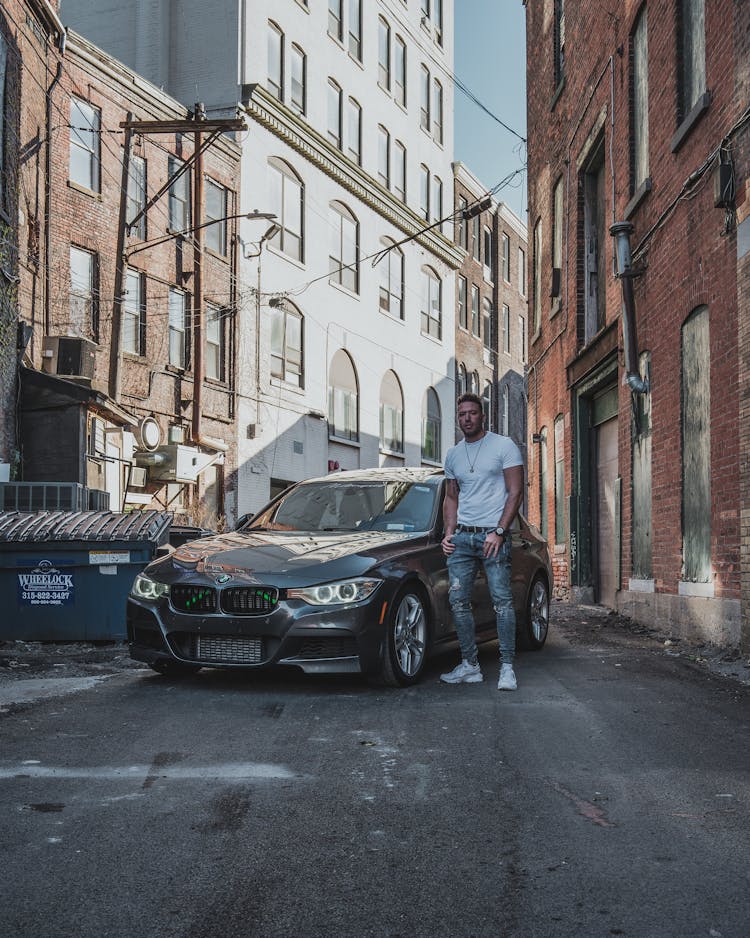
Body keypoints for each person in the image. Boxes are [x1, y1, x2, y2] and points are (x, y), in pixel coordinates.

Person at [440, 392, 524, 690]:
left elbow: (515, 492)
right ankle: (470, 666)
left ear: (482, 415)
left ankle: (507, 668)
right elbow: (452, 497)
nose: (467, 418)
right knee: (458, 601)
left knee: (502, 601)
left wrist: (500, 531)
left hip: (493, 536)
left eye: (472, 413)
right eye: (462, 414)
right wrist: (449, 533)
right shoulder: (453, 455)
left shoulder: (503, 446)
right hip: (463, 537)